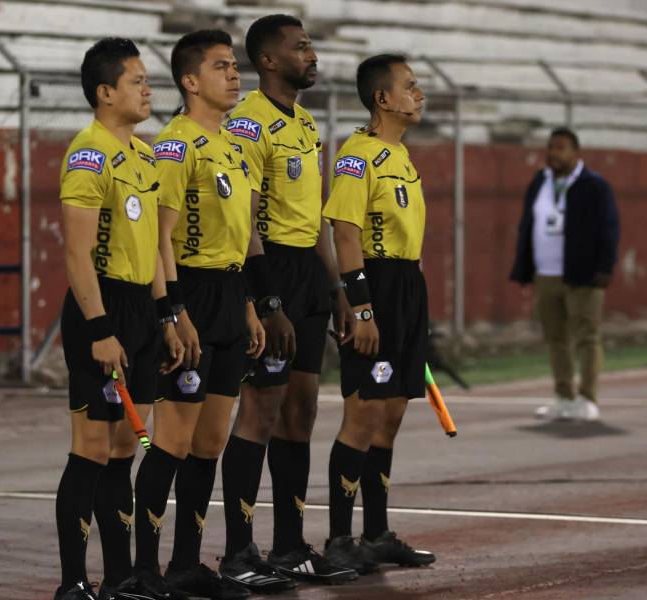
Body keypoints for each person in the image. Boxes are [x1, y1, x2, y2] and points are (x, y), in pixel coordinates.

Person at [217, 14, 359, 589]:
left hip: (307, 273)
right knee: (260, 411)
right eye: (300, 48)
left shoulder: (305, 124)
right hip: (267, 267)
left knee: (301, 410)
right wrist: (267, 301)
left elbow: (319, 218)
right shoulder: (247, 124)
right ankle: (237, 552)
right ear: (269, 61)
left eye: (311, 45)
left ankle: (290, 547)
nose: (312, 55)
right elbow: (246, 222)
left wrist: (341, 289)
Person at [130, 29, 264, 600]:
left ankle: (186, 565)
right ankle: (142, 570)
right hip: (191, 295)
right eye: (220, 67)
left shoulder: (233, 145)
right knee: (173, 441)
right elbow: (160, 238)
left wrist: (252, 307)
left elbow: (243, 236)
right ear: (190, 81)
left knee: (210, 442)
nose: (234, 75)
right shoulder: (175, 144)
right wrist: (172, 312)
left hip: (231, 298)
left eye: (234, 66)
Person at [55, 38, 184, 600]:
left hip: (140, 311)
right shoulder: (89, 152)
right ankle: (73, 583)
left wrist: (167, 316)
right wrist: (101, 331)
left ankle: (120, 579)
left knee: (126, 450)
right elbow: (76, 253)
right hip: (100, 309)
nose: (147, 89)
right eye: (136, 80)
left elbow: (156, 246)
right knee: (91, 446)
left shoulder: (147, 156)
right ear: (106, 93)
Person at [321, 53, 436, 569]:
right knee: (363, 413)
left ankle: (376, 533)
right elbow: (344, 231)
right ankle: (340, 541)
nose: (420, 93)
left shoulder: (401, 155)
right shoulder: (358, 155)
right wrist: (362, 309)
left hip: (409, 284)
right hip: (377, 286)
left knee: (390, 415)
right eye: (410, 87)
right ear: (382, 99)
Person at [510, 127, 619, 422]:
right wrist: (525, 266)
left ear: (575, 152)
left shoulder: (594, 185)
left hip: (582, 275)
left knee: (586, 337)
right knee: (555, 338)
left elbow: (609, 228)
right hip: (546, 274)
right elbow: (527, 224)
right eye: (550, 147)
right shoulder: (540, 181)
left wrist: (605, 268)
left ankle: (587, 398)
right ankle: (563, 396)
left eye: (560, 148)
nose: (553, 153)